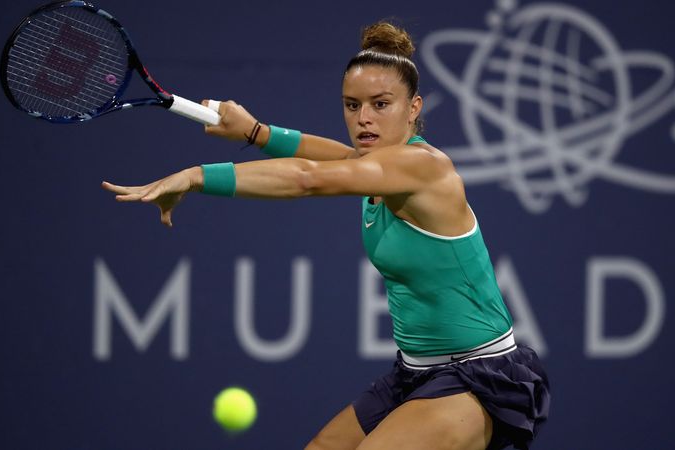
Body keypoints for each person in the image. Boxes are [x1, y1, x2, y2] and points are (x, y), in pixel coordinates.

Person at [102, 22, 549, 450]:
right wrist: (256, 132)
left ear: (414, 108)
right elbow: (327, 154)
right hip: (415, 371)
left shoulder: (424, 168)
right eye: (352, 105)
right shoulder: (373, 163)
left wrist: (197, 175)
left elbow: (307, 177)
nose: (363, 118)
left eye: (380, 104)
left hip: (479, 376)